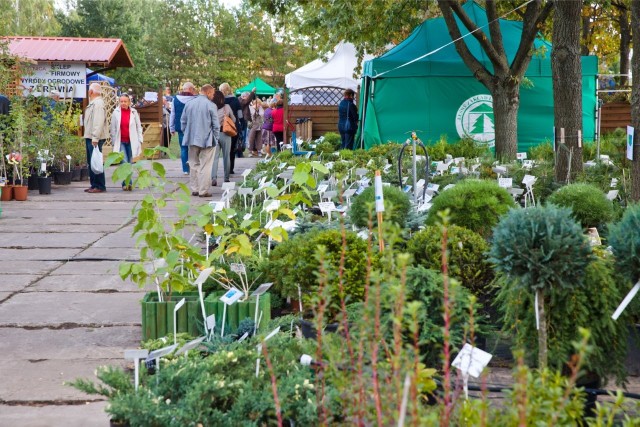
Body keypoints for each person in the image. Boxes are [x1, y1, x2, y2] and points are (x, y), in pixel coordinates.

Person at [181, 84, 219, 197]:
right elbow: (216, 125)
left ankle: (195, 188)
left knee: (193, 163)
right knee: (206, 165)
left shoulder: (189, 104)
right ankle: (203, 190)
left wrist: (186, 133)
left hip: (192, 138)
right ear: (208, 92)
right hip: (207, 139)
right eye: (212, 93)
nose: (213, 96)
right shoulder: (211, 105)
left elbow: (183, 121)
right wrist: (215, 138)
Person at [110, 93, 143, 191]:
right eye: (121, 101)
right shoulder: (115, 112)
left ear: (129, 102)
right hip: (120, 141)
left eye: (125, 101)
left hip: (131, 141)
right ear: (119, 102)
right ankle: (126, 184)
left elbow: (138, 126)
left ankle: (128, 182)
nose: (123, 103)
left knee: (129, 162)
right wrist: (113, 142)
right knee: (124, 162)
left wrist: (140, 139)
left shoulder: (134, 112)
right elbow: (113, 129)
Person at [83, 82, 109, 193]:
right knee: (91, 161)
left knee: (96, 161)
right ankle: (94, 185)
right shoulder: (94, 103)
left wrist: (95, 138)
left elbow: (98, 122)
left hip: (94, 138)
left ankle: (99, 185)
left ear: (91, 91)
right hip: (91, 136)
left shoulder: (98, 104)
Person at [170, 82, 197, 175]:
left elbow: (172, 114)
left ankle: (185, 170)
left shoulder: (175, 99)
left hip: (181, 127)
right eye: (193, 89)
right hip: (194, 127)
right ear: (190, 89)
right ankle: (194, 167)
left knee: (183, 148)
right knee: (193, 148)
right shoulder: (195, 99)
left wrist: (171, 127)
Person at [210, 89, 235, 186]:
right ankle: (226, 177)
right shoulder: (227, 107)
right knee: (226, 156)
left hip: (214, 134)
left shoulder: (211, 107)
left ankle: (214, 177)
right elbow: (233, 119)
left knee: (214, 157)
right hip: (226, 133)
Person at [219, 83, 242, 174]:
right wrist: (241, 124)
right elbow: (240, 114)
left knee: (221, 150)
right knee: (232, 149)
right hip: (232, 126)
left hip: (221, 127)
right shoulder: (235, 100)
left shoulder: (219, 100)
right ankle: (230, 168)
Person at [238, 88, 256, 157]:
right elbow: (247, 101)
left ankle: (241, 152)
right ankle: (240, 152)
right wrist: (252, 92)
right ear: (244, 96)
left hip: (243, 121)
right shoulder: (240, 100)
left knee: (243, 137)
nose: (248, 99)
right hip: (242, 121)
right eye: (248, 97)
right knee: (242, 137)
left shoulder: (241, 100)